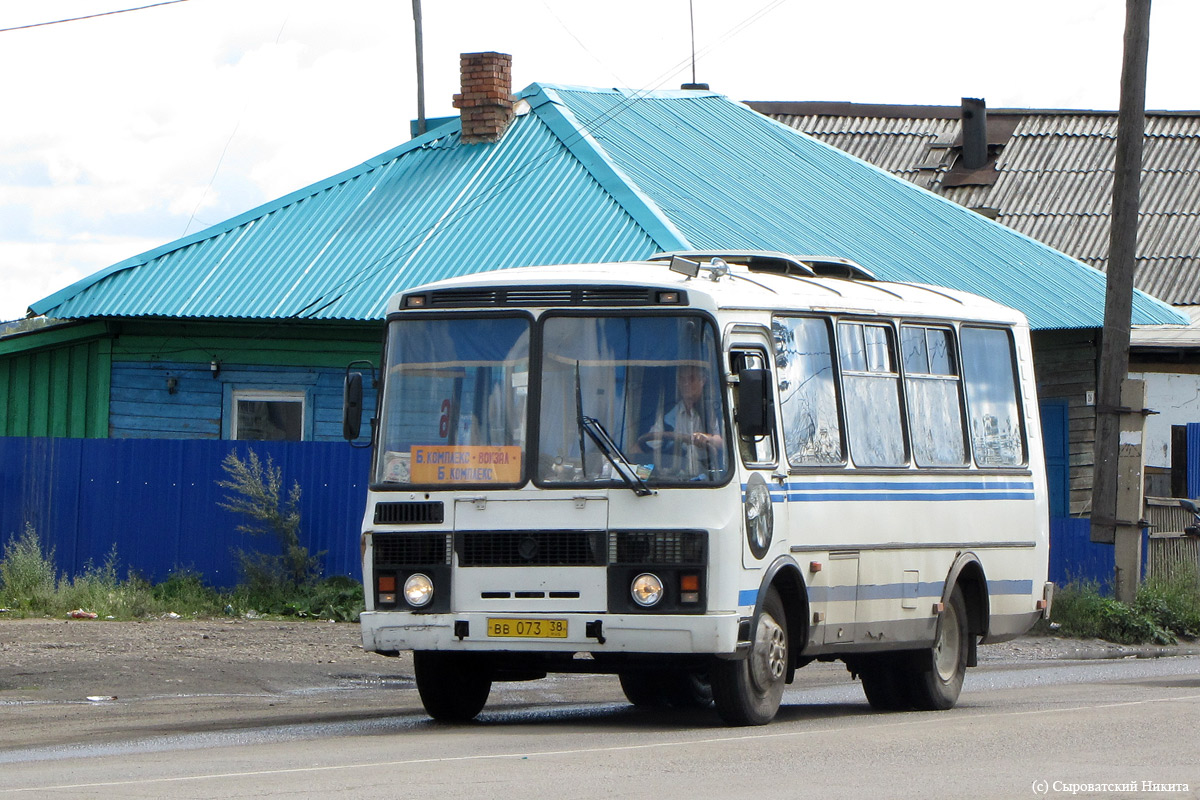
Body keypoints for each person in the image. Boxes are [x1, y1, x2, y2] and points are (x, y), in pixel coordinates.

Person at [637, 364, 724, 477]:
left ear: (703, 380)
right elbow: (648, 443)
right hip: (672, 477)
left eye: (691, 378)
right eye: (682, 379)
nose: (686, 383)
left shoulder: (715, 410)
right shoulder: (670, 413)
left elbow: (724, 444)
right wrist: (634, 468)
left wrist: (707, 439)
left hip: (709, 480)